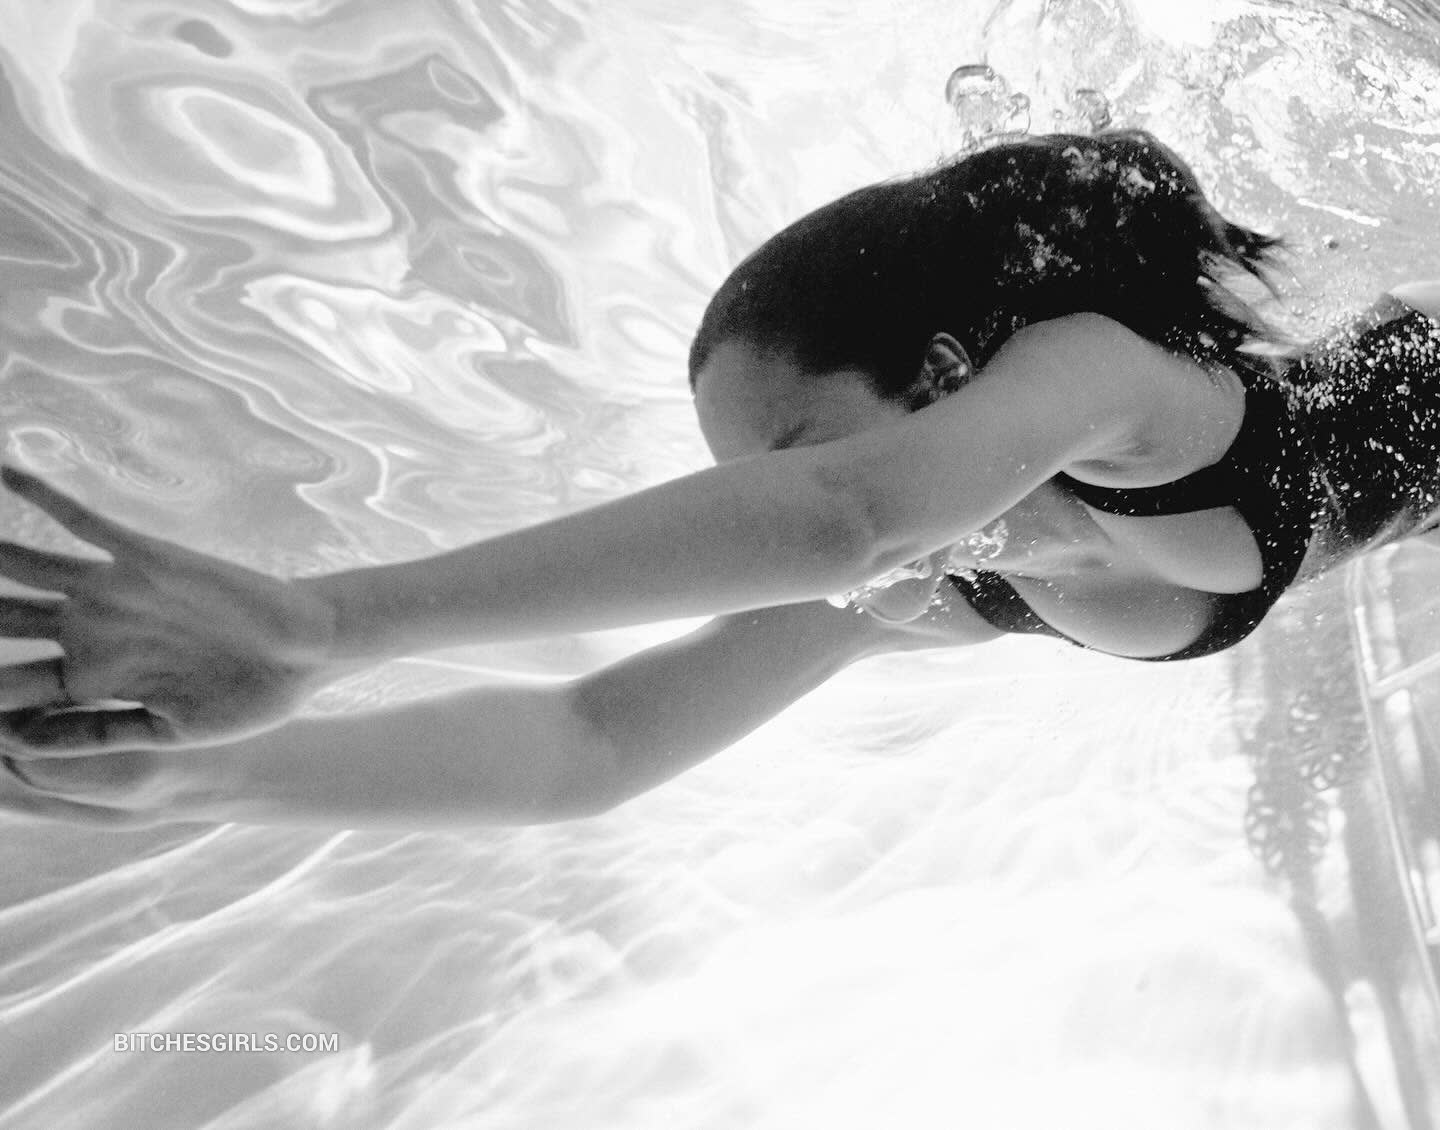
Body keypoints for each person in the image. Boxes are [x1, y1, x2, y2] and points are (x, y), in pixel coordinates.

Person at [2, 129, 1439, 829]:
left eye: (795, 448)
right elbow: (591, 743)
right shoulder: (934, 589)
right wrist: (200, 778)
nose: (751, 525)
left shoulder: (1116, 387)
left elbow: (841, 515)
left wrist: (326, 624)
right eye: (732, 490)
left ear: (949, 376)